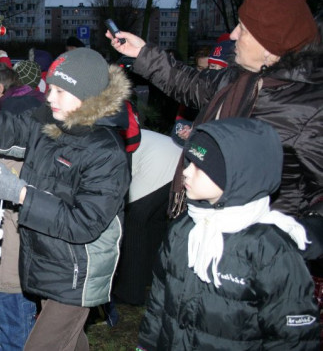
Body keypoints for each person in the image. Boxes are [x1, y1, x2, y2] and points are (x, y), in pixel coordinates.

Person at [0, 47, 132, 351]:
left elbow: (83, 224)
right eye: (51, 87)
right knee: (70, 343)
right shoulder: (51, 122)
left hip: (77, 275)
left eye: (60, 90)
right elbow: (3, 128)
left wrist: (21, 193)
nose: (49, 96)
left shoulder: (106, 152)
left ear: (86, 95)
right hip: (46, 261)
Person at [106, 0, 322, 257]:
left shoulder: (310, 107)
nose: (232, 35)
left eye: (242, 29)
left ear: (270, 46)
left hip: (259, 250)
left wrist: (301, 235)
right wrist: (142, 53)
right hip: (204, 228)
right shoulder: (236, 78)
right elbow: (188, 82)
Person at [137, 118, 319, 350]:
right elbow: (159, 301)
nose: (186, 173)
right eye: (188, 162)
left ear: (237, 174)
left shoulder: (269, 249)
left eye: (199, 167)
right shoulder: (185, 229)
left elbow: (293, 338)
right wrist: (147, 344)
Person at [0, 64, 44, 350]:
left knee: (11, 332)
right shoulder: (39, 153)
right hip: (5, 266)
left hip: (7, 269)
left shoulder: (3, 155)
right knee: (4, 327)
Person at [111, 129, 182, 306]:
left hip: (160, 161)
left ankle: (130, 292)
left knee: (134, 222)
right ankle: (150, 277)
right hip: (177, 158)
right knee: (154, 223)